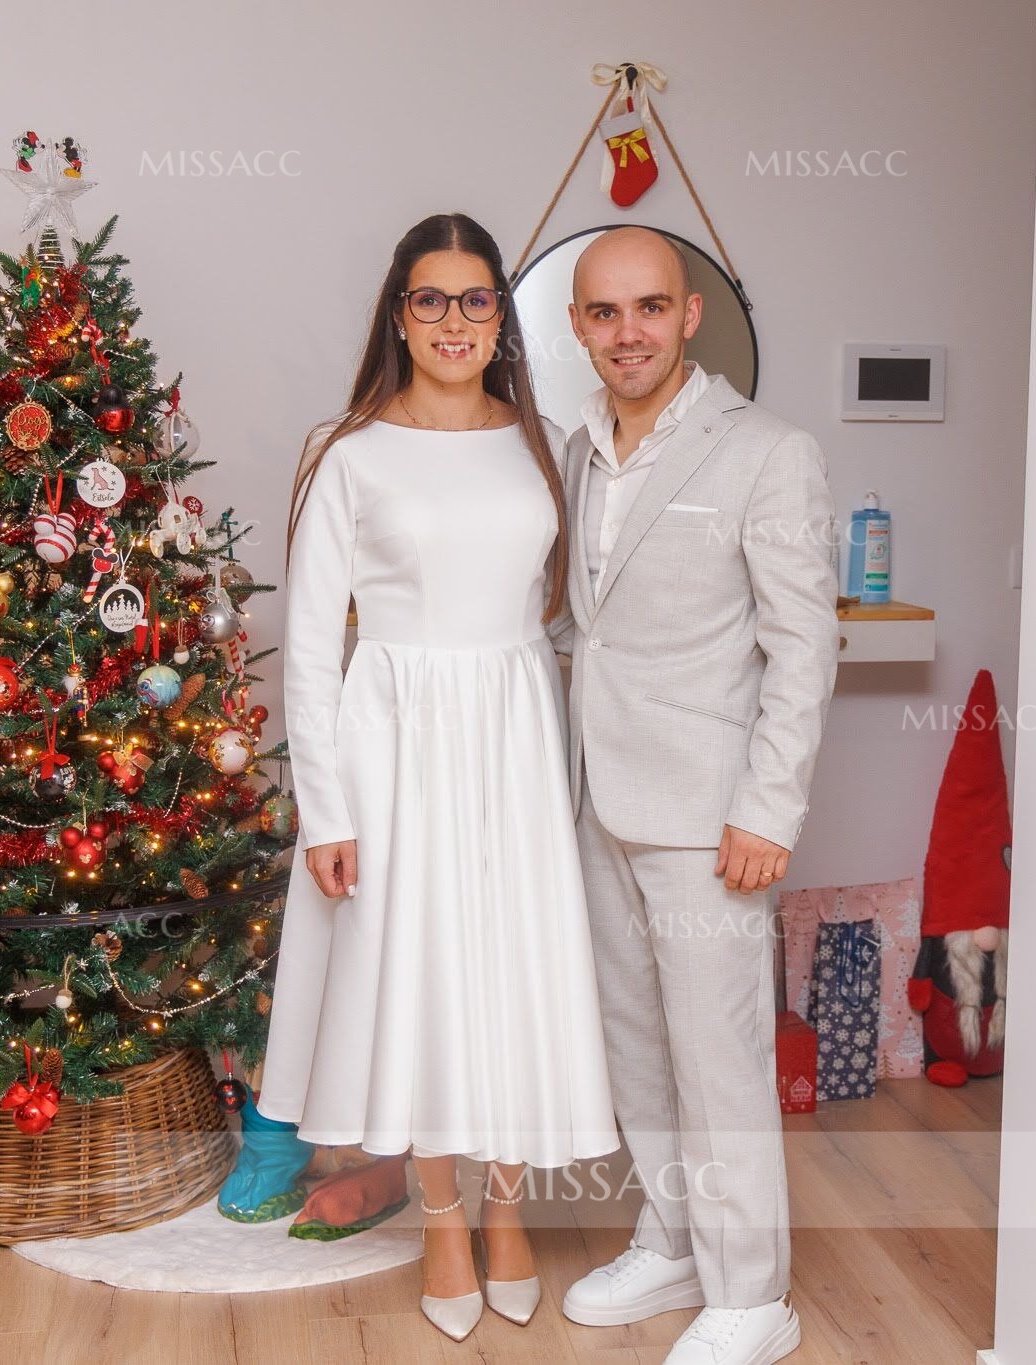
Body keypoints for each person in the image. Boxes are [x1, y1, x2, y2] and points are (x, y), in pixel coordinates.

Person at [258, 213, 619, 1343]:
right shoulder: (347, 452)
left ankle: (509, 1213)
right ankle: (445, 1223)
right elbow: (309, 647)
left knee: (509, 971)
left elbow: (568, 607)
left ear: (500, 316)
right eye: (430, 299)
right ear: (398, 315)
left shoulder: (542, 442)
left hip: (515, 729)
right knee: (417, 978)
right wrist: (326, 808)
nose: (454, 321)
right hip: (393, 739)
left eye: (475, 299)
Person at [552, 227, 840, 1365]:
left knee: (718, 1059)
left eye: (649, 307)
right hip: (597, 794)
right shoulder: (573, 449)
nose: (628, 332)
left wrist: (768, 808)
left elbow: (804, 646)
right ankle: (672, 1238)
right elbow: (584, 626)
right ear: (579, 326)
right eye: (605, 312)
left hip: (711, 811)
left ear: (689, 315)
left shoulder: (767, 452)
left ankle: (752, 1295)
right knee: (635, 1043)